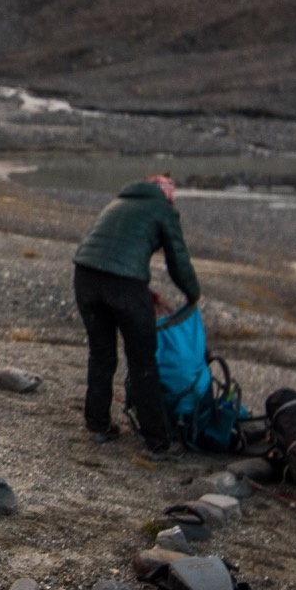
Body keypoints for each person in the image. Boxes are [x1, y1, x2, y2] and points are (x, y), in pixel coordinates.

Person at [72, 174, 199, 451]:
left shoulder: (117, 203)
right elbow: (178, 258)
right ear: (166, 193)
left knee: (101, 353)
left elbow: (110, 255)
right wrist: (193, 294)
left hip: (84, 277)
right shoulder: (163, 210)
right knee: (143, 361)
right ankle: (157, 440)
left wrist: (148, 294)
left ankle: (98, 425)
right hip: (125, 286)